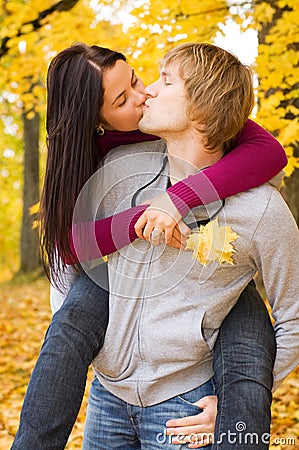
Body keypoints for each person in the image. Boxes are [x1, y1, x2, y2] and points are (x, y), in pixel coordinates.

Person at [11, 43, 286, 450]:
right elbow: (70, 247)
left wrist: (178, 199)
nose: (142, 95)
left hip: (199, 328)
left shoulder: (182, 118)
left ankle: (234, 427)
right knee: (69, 326)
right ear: (98, 122)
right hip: (115, 337)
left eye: (138, 79)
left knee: (246, 336)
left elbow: (268, 152)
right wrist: (142, 221)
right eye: (122, 99)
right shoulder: (98, 157)